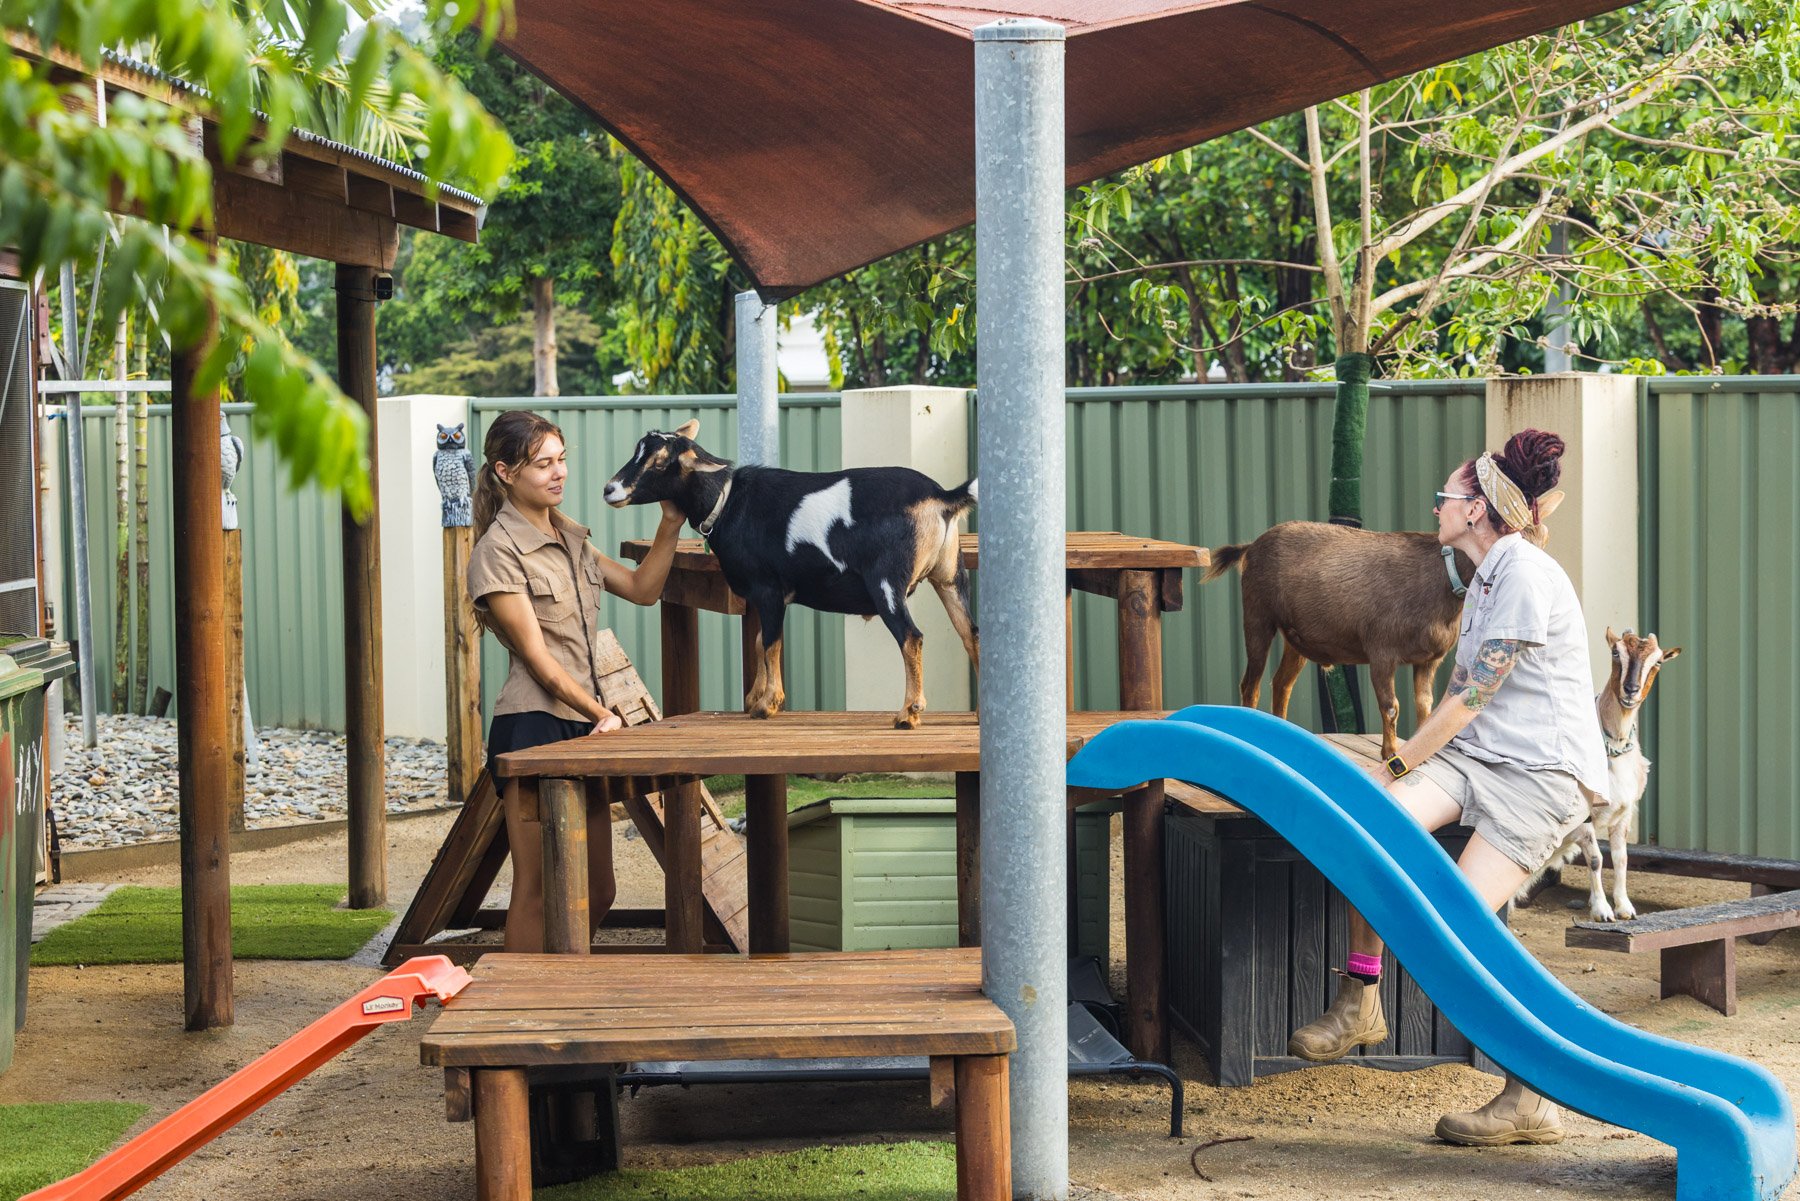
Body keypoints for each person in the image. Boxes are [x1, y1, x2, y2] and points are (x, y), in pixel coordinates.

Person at [1286, 429, 1604, 1147]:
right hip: (1481, 759)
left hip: (1540, 775)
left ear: (1480, 509)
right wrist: (1394, 780)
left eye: (1448, 497)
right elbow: (1458, 696)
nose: (1436, 507)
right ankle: (1359, 998)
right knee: (1370, 827)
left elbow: (1469, 699)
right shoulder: (1481, 576)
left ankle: (1532, 1094)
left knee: (1461, 926)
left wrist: (1392, 762)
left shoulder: (1523, 572)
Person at [466, 409, 685, 952]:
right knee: (538, 890)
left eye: (561, 460)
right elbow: (539, 661)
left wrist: (670, 523)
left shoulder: (572, 540)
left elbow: (642, 588)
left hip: (585, 729)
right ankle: (520, 1011)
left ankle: (554, 986)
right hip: (533, 729)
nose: (558, 472)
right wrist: (602, 714)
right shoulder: (497, 552)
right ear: (505, 472)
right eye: (542, 464)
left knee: (599, 887)